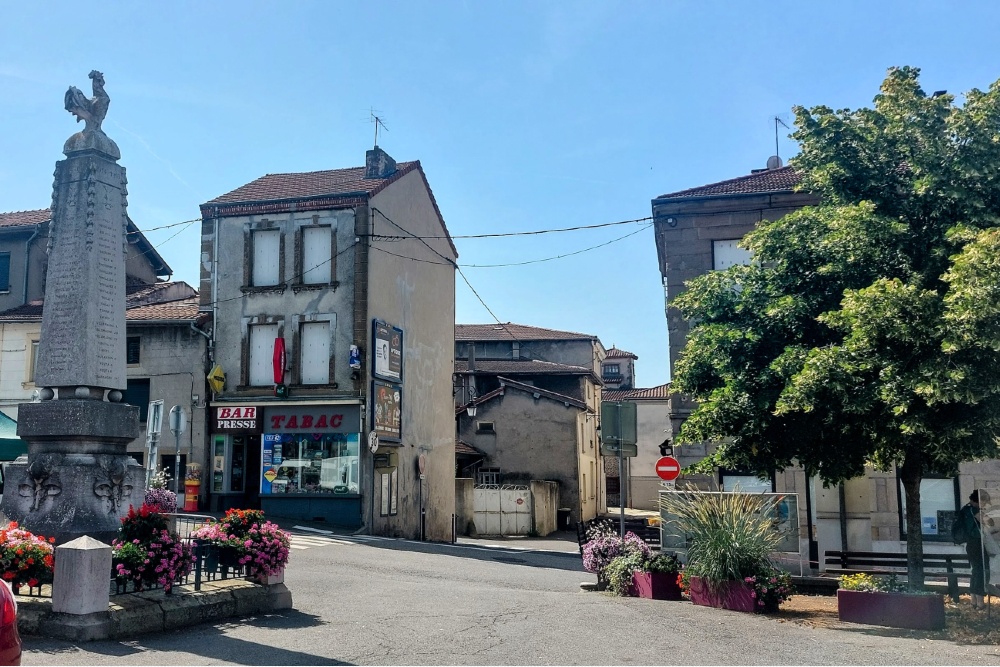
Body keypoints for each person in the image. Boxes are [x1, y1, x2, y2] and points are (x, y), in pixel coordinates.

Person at [959, 489, 995, 609]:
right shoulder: (975, 511)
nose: (985, 505)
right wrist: (988, 516)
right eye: (984, 502)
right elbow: (990, 522)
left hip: (970, 544)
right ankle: (980, 601)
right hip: (977, 543)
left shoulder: (965, 509)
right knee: (982, 570)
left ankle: (973, 600)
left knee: (975, 570)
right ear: (980, 500)